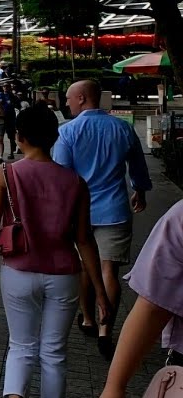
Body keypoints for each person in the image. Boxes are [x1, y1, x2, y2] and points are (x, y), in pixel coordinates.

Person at [0, 107, 111, 398]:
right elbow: (84, 239)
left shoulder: (5, 174)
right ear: (55, 138)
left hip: (19, 271)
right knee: (54, 352)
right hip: (64, 274)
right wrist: (100, 293)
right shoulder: (75, 182)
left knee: (21, 344)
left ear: (18, 137)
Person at [53, 79, 152, 359]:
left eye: (70, 98)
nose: (67, 103)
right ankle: (106, 331)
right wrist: (140, 191)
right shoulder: (122, 127)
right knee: (109, 270)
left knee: (86, 266)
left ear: (82, 98)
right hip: (114, 208)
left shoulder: (68, 131)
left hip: (79, 211)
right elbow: (138, 166)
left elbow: (62, 175)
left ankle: (86, 318)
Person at [90, 199, 183, 398]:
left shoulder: (180, 218)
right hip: (111, 214)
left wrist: (115, 385)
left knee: (100, 266)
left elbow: (152, 308)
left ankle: (96, 324)